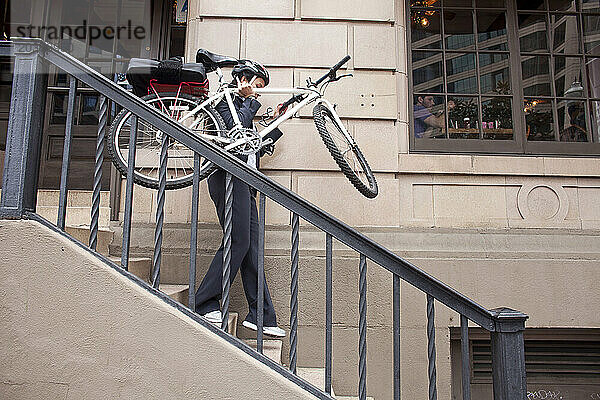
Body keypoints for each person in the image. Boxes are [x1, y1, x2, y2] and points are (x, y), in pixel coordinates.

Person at [194, 59, 285, 338]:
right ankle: (205, 301)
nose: (257, 93)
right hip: (227, 178)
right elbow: (233, 133)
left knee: (251, 247)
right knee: (238, 240)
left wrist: (274, 122)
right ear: (244, 78)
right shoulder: (224, 101)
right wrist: (249, 102)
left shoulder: (241, 106)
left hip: (245, 182)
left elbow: (251, 144)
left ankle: (261, 315)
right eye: (257, 86)